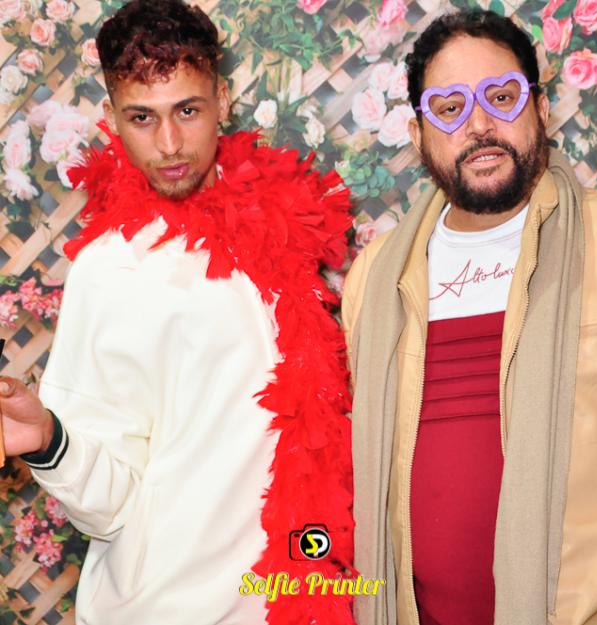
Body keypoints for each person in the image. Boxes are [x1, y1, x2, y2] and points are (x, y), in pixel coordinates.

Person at [0, 1, 356, 623]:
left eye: (187, 111)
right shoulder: (109, 270)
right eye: (143, 117)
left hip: (291, 599)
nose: (168, 144)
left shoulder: (278, 225)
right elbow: (107, 507)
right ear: (112, 117)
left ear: (223, 100)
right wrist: (50, 441)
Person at [343, 9, 597, 625]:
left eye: (501, 97)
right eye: (449, 108)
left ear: (540, 109)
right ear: (418, 134)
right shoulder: (375, 278)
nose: (478, 125)